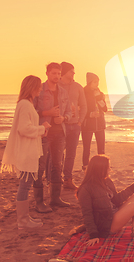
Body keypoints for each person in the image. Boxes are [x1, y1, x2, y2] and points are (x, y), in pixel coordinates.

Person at [1, 75, 51, 229]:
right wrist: (43, 128)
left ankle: (25, 218)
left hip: (29, 149)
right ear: (32, 87)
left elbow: (26, 127)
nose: (41, 89)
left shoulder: (26, 104)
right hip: (26, 151)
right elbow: (23, 129)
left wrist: (41, 130)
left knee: (26, 184)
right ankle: (22, 221)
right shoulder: (25, 104)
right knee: (25, 185)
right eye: (38, 86)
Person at [77, 155, 134, 243]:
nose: (110, 170)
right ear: (99, 169)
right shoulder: (86, 189)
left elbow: (116, 200)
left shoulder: (106, 181)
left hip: (113, 214)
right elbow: (87, 214)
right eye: (108, 168)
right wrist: (93, 235)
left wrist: (131, 188)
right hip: (105, 226)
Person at [34, 62, 73, 211]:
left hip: (60, 133)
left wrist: (64, 119)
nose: (56, 76)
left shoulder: (63, 92)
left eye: (58, 74)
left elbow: (69, 112)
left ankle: (55, 199)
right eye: (53, 73)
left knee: (57, 166)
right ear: (47, 73)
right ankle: (39, 202)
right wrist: (47, 113)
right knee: (40, 166)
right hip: (43, 133)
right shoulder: (40, 91)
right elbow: (32, 111)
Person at [59, 62, 87, 190]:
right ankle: (54, 179)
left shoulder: (78, 87)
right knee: (57, 153)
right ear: (64, 72)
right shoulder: (56, 86)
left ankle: (68, 179)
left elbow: (84, 105)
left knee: (71, 153)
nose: (74, 73)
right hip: (60, 125)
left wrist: (80, 121)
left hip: (74, 125)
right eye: (71, 71)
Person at [82, 72, 107, 171]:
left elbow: (105, 108)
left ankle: (102, 167)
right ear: (89, 82)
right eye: (95, 82)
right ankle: (85, 166)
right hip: (87, 124)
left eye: (98, 82)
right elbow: (81, 109)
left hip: (100, 124)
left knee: (101, 147)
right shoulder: (83, 93)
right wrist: (90, 115)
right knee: (87, 148)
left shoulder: (100, 94)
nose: (97, 84)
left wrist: (99, 98)